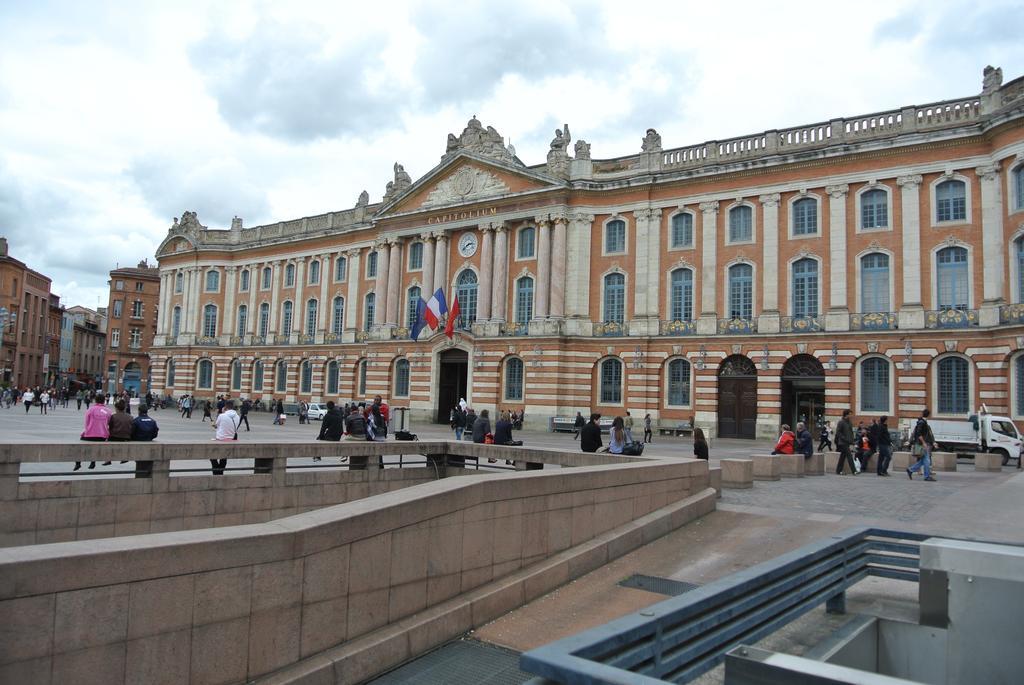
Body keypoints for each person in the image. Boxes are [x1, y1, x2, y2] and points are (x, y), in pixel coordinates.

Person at [77, 394, 111, 470]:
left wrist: (87, 431)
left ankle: (78, 463)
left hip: (90, 434)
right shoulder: (108, 411)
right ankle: (93, 462)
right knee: (96, 446)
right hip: (102, 435)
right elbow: (109, 422)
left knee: (81, 446)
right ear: (104, 401)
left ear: (95, 400)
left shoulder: (90, 410)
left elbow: (87, 423)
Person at [210, 401, 240, 475]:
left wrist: (213, 424)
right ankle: (220, 472)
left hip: (220, 439)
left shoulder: (222, 416)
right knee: (223, 458)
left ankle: (217, 473)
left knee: (212, 456)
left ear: (225, 407)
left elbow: (216, 425)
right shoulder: (237, 416)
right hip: (231, 439)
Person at [907, 408, 937, 481]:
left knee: (924, 460)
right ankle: (926, 476)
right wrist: (924, 443)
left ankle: (910, 470)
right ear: (928, 415)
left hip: (923, 443)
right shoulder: (922, 422)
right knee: (927, 460)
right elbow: (919, 433)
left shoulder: (923, 422)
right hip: (922, 444)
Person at [835, 409, 857, 475]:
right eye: (850, 414)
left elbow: (851, 433)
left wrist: (852, 441)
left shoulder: (849, 422)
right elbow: (838, 432)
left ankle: (838, 471)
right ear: (846, 414)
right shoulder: (841, 422)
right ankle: (854, 471)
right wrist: (844, 438)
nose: (851, 415)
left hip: (848, 442)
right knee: (849, 455)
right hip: (843, 442)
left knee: (842, 457)